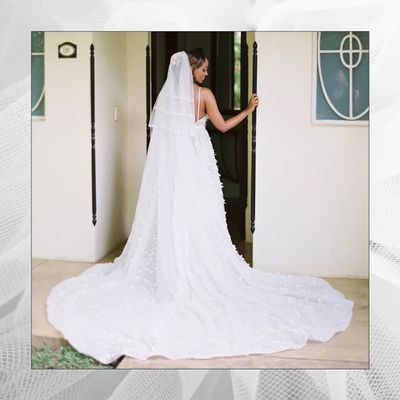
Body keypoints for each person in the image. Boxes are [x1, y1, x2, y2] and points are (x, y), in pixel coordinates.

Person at [46, 50, 353, 365]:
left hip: (174, 170)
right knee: (199, 217)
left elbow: (162, 136)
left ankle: (178, 266)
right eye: (203, 69)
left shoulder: (168, 98)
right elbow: (221, 127)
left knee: (177, 215)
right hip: (197, 165)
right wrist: (248, 109)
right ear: (191, 69)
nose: (207, 74)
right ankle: (191, 268)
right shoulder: (204, 96)